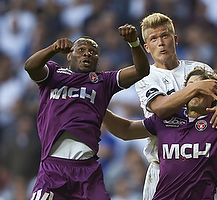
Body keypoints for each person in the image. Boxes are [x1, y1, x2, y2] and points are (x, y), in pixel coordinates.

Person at [103, 67, 217, 199]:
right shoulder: (165, 119)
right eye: (190, 87)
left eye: (200, 87)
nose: (194, 92)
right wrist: (97, 107)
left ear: (214, 96)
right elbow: (125, 130)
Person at [24, 24, 149, 200]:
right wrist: (53, 48)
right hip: (53, 168)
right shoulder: (53, 73)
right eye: (81, 49)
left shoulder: (104, 81)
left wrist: (134, 43)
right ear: (69, 55)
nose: (87, 53)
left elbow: (141, 70)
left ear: (98, 59)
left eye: (93, 51)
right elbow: (30, 67)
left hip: (87, 171)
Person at [135, 12, 217, 200]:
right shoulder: (145, 77)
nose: (161, 42)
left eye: (165, 36)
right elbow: (161, 109)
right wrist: (197, 87)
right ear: (147, 47)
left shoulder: (200, 68)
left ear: (175, 39)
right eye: (154, 38)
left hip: (199, 167)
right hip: (162, 169)